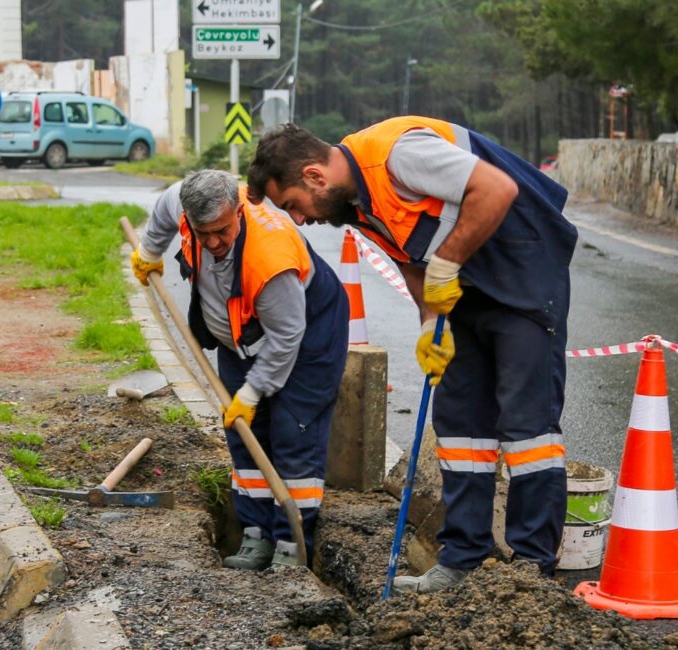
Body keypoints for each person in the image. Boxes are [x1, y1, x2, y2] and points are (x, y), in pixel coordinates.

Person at [246, 118, 578, 593]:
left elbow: (496, 188)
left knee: (527, 432)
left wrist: (446, 263)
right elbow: (408, 255)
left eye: (294, 206)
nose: (300, 220)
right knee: (460, 425)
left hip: (523, 267)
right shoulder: (354, 203)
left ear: (316, 176)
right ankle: (462, 560)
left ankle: (529, 575)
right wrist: (429, 323)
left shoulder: (399, 156)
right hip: (465, 285)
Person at [130, 170, 349, 569]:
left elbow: (287, 337)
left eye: (222, 231)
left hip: (306, 340)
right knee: (245, 439)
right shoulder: (185, 203)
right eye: (203, 232)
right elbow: (164, 209)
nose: (212, 242)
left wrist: (251, 393)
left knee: (292, 437)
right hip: (239, 338)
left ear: (238, 212)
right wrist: (149, 251)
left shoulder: (271, 257)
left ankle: (291, 546)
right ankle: (256, 536)